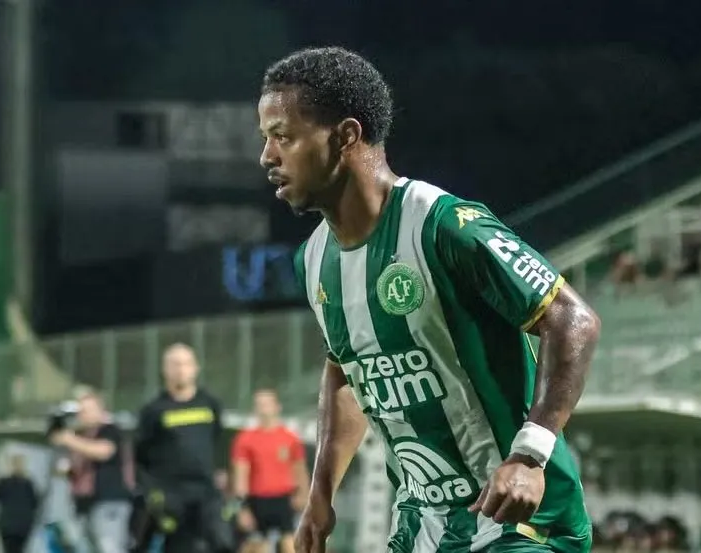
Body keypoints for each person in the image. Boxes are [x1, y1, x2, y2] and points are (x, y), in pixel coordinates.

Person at [258, 47, 601, 553]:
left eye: (282, 136)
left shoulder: (441, 225)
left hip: (519, 529)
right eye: (266, 139)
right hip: (422, 529)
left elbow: (573, 319)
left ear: (346, 136)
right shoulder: (313, 261)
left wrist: (529, 457)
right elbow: (347, 373)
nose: (267, 156)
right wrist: (321, 492)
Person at [133, 343, 225, 553]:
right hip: (172, 496)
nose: (181, 369)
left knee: (221, 543)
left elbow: (217, 441)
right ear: (164, 370)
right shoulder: (153, 410)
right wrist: (152, 491)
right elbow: (141, 454)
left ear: (196, 368)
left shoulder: (210, 404)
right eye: (175, 364)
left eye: (186, 364)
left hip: (206, 493)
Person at [51, 388, 134, 553]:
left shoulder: (109, 430)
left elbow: (104, 451)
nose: (83, 415)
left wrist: (69, 440)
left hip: (109, 500)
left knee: (109, 546)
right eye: (81, 411)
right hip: (84, 503)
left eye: (88, 410)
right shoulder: (81, 434)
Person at [230, 390, 309, 553]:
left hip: (284, 500)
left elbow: (299, 469)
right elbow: (241, 475)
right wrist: (242, 507)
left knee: (290, 544)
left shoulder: (290, 438)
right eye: (259, 404)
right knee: (255, 547)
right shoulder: (245, 439)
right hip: (257, 500)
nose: (263, 408)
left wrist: (304, 495)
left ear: (277, 407)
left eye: (267, 404)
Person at [0, 454, 39, 553]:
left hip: (7, 525)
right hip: (23, 525)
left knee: (8, 549)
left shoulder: (3, 482)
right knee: (19, 549)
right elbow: (35, 503)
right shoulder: (28, 484)